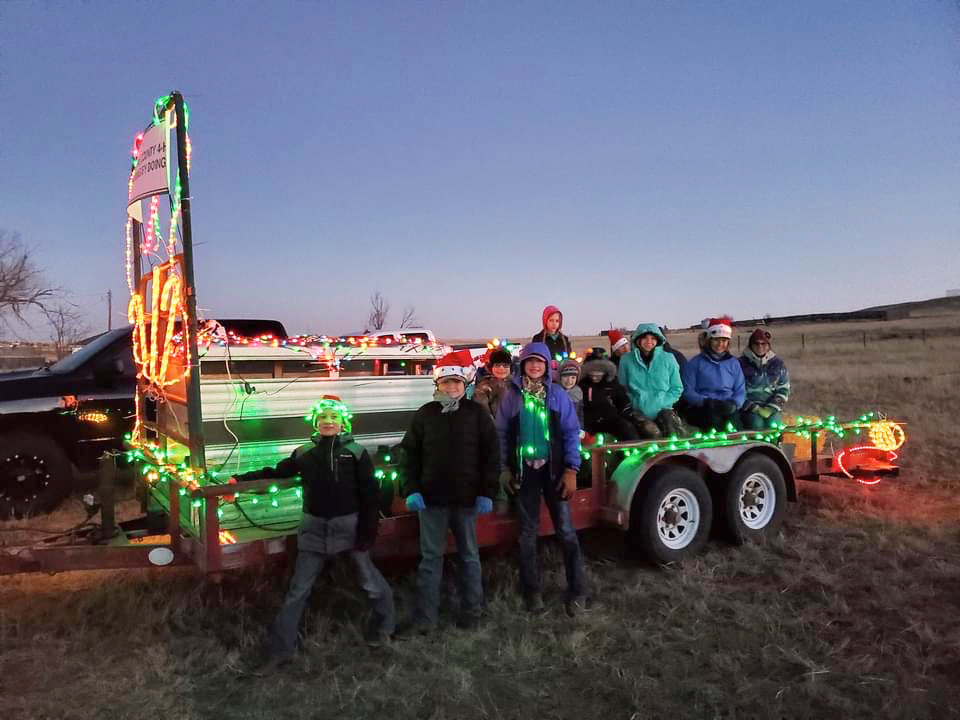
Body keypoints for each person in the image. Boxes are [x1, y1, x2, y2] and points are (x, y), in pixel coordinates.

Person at [237, 396, 394, 669]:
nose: (328, 422)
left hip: (349, 527)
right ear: (315, 422)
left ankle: (384, 629)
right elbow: (276, 473)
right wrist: (240, 480)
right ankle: (281, 648)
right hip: (313, 530)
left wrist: (368, 530)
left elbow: (370, 494)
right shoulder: (303, 453)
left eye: (334, 417)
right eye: (323, 418)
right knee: (299, 589)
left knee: (370, 581)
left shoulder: (356, 453)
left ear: (343, 422)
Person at [400, 352, 500, 633]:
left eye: (456, 382)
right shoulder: (425, 415)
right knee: (430, 559)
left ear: (465, 383)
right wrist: (411, 489)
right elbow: (410, 455)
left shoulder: (477, 414)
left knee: (469, 556)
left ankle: (473, 612)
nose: (451, 387)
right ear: (437, 384)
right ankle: (425, 618)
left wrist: (486, 492)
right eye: (446, 382)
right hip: (431, 501)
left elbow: (492, 455)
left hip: (467, 501)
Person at [495, 342, 590, 615]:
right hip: (524, 472)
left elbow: (572, 432)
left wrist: (572, 469)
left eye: (540, 361)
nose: (534, 366)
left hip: (554, 470)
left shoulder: (558, 395)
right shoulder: (512, 396)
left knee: (567, 532)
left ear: (547, 366)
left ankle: (578, 590)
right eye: (529, 361)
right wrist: (504, 468)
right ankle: (532, 592)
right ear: (522, 364)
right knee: (526, 535)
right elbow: (502, 435)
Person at [617, 324, 684, 437]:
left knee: (671, 434)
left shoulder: (668, 358)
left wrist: (663, 402)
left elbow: (676, 387)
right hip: (638, 409)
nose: (649, 341)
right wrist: (635, 402)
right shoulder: (626, 360)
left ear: (658, 340)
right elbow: (623, 387)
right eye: (645, 338)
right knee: (651, 434)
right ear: (638, 339)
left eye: (653, 338)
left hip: (663, 408)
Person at [681, 316, 746, 431]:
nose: (720, 344)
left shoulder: (734, 363)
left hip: (728, 405)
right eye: (716, 340)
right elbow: (688, 391)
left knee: (736, 429)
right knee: (715, 425)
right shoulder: (695, 363)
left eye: (724, 340)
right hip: (704, 408)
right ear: (709, 340)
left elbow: (740, 390)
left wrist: (734, 403)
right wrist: (705, 401)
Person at [579, 352, 645, 440]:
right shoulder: (583, 386)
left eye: (598, 375)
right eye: (592, 375)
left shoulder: (612, 385)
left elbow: (622, 401)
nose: (594, 378)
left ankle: (632, 450)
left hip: (610, 419)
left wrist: (628, 413)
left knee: (626, 428)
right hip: (589, 422)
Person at [739, 328, 790, 430]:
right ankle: (757, 446)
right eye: (756, 344)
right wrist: (755, 408)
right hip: (750, 409)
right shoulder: (740, 364)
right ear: (751, 345)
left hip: (771, 407)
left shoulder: (778, 364)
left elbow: (784, 389)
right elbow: (738, 391)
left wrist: (771, 408)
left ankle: (774, 445)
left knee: (774, 425)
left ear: (768, 346)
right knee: (757, 424)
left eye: (763, 344)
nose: (760, 347)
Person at [472, 346, 513, 419]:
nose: (501, 368)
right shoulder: (483, 388)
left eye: (505, 365)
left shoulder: (517, 384)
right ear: (491, 368)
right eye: (497, 365)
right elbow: (483, 413)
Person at [531, 305, 573, 369]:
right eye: (551, 320)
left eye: (557, 321)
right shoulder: (538, 339)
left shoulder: (564, 339)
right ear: (545, 321)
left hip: (562, 372)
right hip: (544, 373)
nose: (554, 324)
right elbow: (534, 359)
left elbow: (569, 357)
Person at [557, 359, 584, 430]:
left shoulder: (578, 393)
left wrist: (580, 428)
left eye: (573, 377)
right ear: (560, 377)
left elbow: (580, 414)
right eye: (565, 376)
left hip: (573, 430)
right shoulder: (555, 393)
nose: (569, 381)